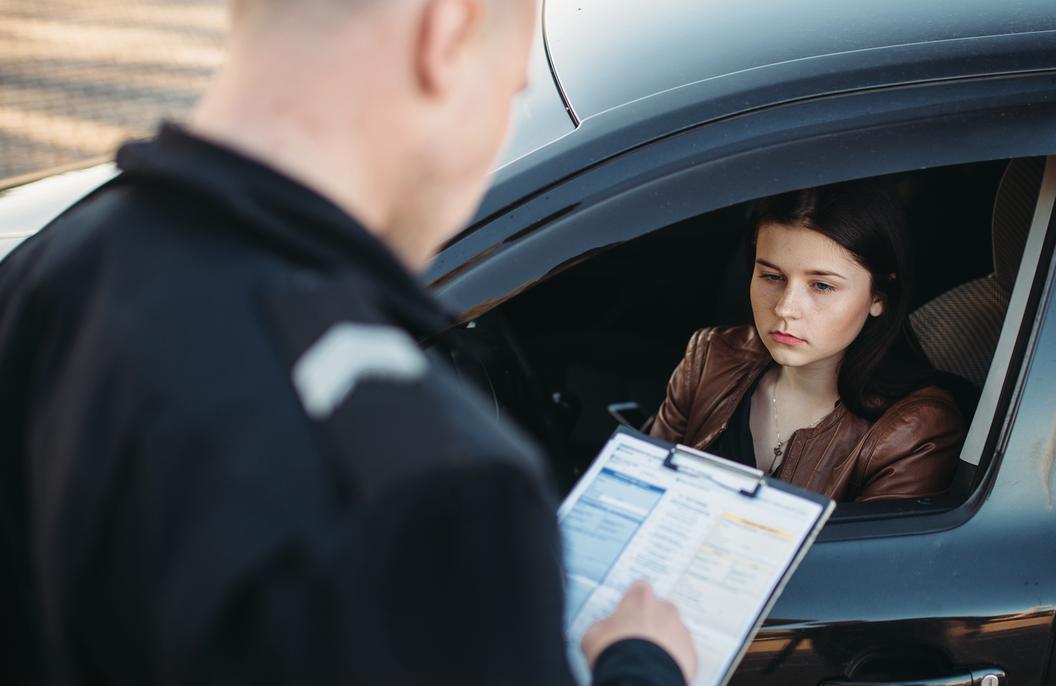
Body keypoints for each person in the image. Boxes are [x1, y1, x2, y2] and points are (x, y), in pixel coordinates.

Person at [0, 1, 696, 684]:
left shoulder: (49, 269)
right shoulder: (441, 497)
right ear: (447, 29)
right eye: (512, 90)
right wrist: (643, 667)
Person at [648, 179, 964, 502]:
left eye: (822, 286)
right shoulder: (711, 358)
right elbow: (638, 491)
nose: (785, 308)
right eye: (772, 277)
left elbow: (867, 554)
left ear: (879, 297)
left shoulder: (912, 432)